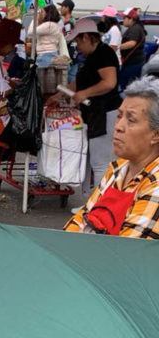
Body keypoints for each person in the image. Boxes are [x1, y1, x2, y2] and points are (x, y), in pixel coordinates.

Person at [65, 76, 159, 238]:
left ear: (156, 134)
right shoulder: (118, 170)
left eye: (131, 120)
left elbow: (127, 250)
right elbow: (82, 219)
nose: (118, 126)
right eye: (119, 116)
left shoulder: (155, 183)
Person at [48, 17, 121, 202]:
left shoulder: (104, 54)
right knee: (90, 160)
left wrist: (85, 93)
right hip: (94, 114)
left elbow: (109, 82)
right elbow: (79, 82)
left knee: (100, 163)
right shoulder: (92, 57)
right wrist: (59, 96)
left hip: (105, 113)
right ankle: (89, 202)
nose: (77, 46)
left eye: (79, 41)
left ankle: (100, 207)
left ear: (88, 37)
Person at [119, 7, 146, 90]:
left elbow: (132, 43)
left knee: (128, 86)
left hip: (132, 63)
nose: (123, 20)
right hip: (133, 62)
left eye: (124, 18)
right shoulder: (136, 28)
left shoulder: (135, 29)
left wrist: (117, 47)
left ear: (131, 19)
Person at [27, 4, 62, 68]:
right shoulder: (53, 24)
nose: (40, 13)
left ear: (47, 13)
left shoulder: (48, 25)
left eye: (42, 12)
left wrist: (35, 18)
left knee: (42, 77)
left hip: (46, 55)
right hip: (49, 54)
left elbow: (30, 32)